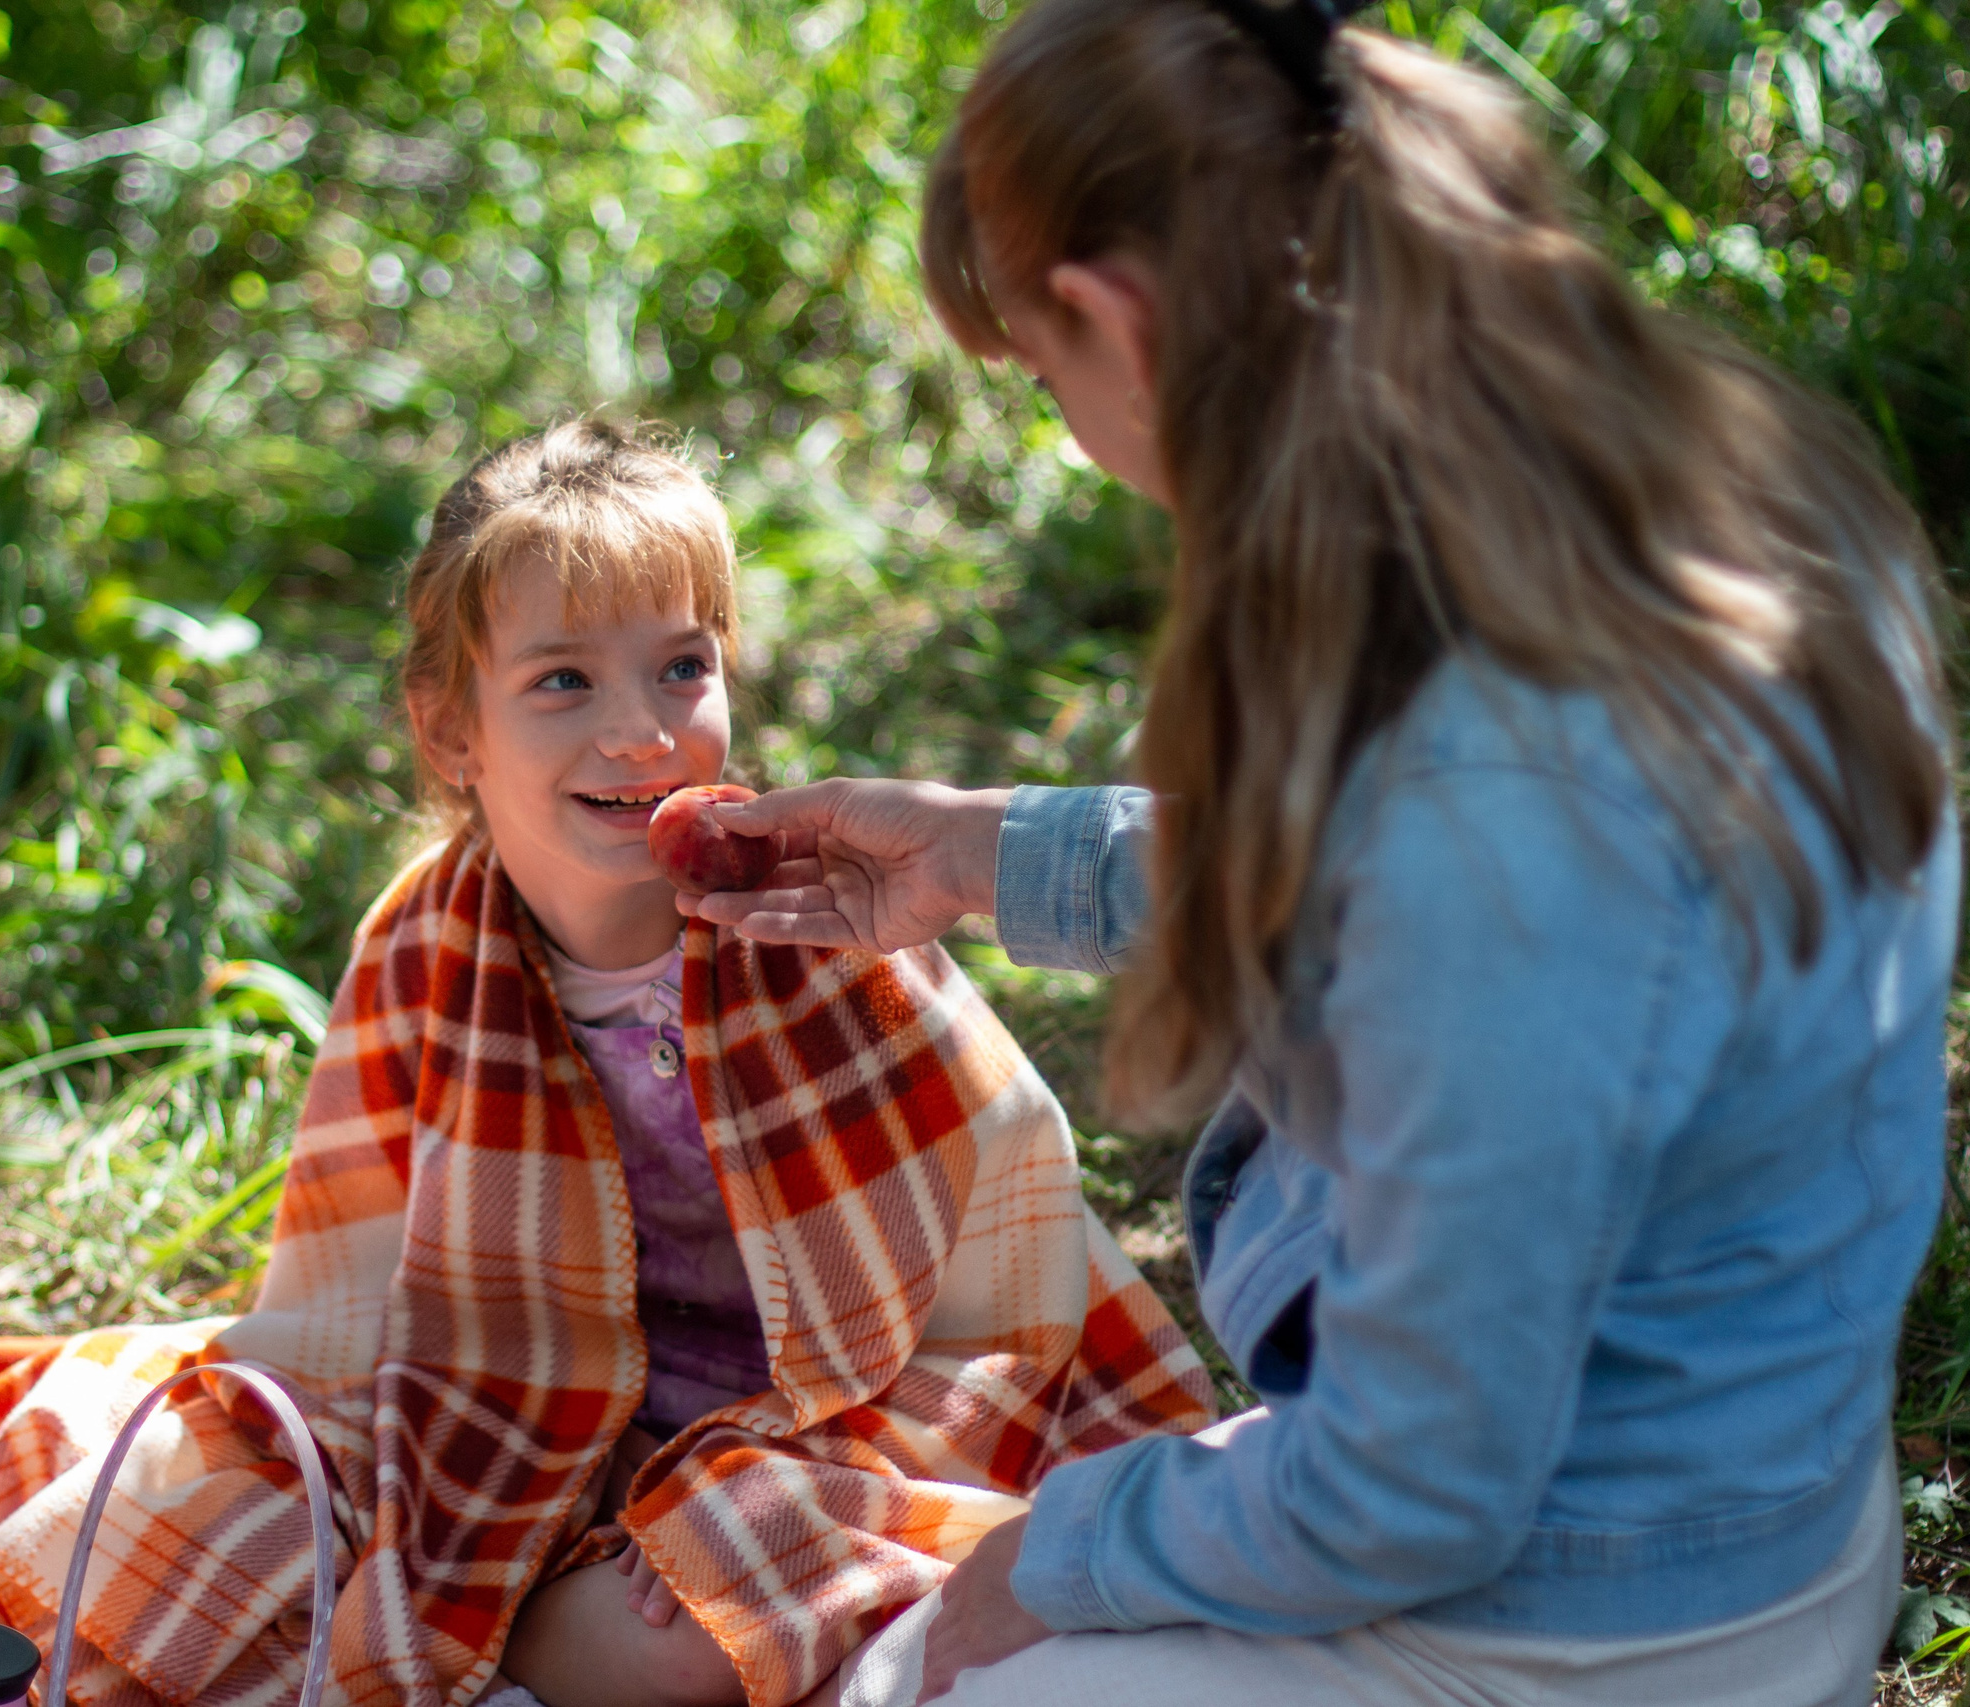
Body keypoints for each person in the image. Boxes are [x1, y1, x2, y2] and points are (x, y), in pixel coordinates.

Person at [676, 2, 1959, 1704]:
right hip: (1771, 1496)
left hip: (1603, 1625)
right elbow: (1440, 913)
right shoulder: (1712, 497)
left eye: (1045, 377)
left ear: (1111, 321)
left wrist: (1049, 1550)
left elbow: (1415, 1482)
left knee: (919, 1679)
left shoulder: (1489, 806)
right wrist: (982, 854)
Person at [0, 420, 1215, 1707]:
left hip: (812, 1429)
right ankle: (496, 1621)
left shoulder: (813, 925)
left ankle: (516, 1645)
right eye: (564, 682)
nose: (641, 735)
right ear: (450, 730)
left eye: (681, 668)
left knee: (684, 1627)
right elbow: (348, 1295)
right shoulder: (427, 945)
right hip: (519, 1412)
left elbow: (991, 1295)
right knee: (170, 1522)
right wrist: (368, 1471)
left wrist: (741, 1487)